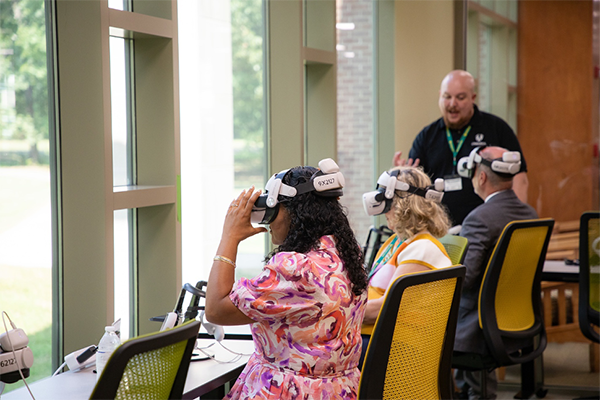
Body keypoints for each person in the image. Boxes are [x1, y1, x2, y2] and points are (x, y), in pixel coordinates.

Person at [205, 160, 368, 399]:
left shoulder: (296, 269)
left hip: (288, 391)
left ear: (293, 211)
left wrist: (229, 237)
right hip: (341, 391)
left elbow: (216, 310)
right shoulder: (344, 254)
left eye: (271, 211)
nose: (268, 221)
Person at [453, 146, 538, 400]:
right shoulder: (530, 214)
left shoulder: (479, 219)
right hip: (518, 322)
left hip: (478, 328)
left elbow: (465, 278)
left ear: (480, 177)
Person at [393, 70, 529, 227]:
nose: (452, 104)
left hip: (488, 226)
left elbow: (519, 178)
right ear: (440, 97)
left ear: (473, 98)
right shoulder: (426, 137)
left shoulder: (497, 129)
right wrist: (403, 176)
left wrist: (515, 222)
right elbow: (415, 189)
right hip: (440, 229)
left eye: (460, 97)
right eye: (447, 97)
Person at [359, 165, 452, 366]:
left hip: (394, 347)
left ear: (401, 203)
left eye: (386, 201)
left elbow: (385, 308)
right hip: (377, 337)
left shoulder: (423, 249)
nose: (383, 209)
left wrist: (339, 312)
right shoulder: (397, 241)